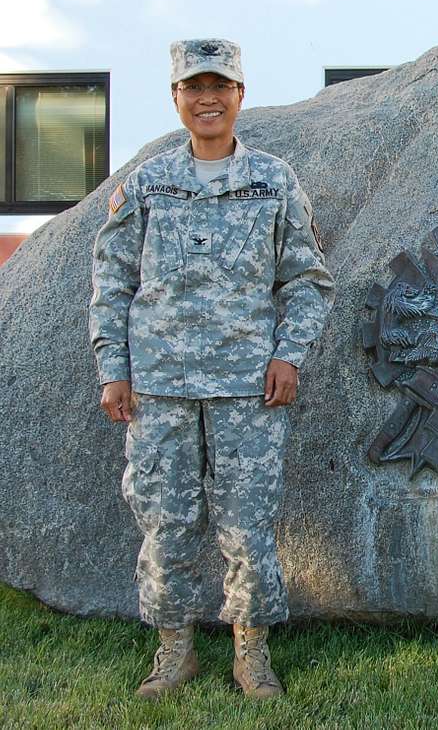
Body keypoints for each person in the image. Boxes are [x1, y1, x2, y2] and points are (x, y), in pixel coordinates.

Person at [89, 39, 335, 700]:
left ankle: (250, 653)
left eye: (219, 86)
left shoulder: (272, 180)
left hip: (247, 387)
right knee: (164, 522)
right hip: (159, 388)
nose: (207, 99)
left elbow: (308, 281)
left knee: (247, 525)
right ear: (175, 98)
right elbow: (111, 281)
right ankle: (174, 652)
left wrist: (289, 354)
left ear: (239, 96)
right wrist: (114, 368)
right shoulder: (147, 184)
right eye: (194, 87)